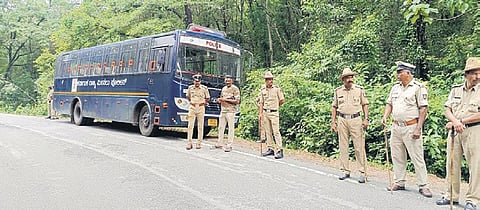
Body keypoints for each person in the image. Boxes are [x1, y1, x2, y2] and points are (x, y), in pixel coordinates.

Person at [381, 61, 432, 197]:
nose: (397, 74)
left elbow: (423, 108)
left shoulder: (418, 88)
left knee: (417, 156)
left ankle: (423, 185)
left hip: (411, 126)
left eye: (400, 72)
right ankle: (399, 181)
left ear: (408, 73)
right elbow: (389, 104)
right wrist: (385, 116)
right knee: (397, 155)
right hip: (396, 126)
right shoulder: (395, 88)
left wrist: (418, 128)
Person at [436, 57, 480, 210]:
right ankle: (451, 196)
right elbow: (447, 109)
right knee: (452, 163)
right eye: (474, 73)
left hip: (474, 130)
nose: (477, 77)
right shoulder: (456, 89)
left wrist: (462, 122)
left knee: (475, 166)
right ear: (466, 74)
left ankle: (472, 200)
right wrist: (456, 122)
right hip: (455, 130)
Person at [331, 68, 369, 183]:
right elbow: (334, 107)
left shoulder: (359, 90)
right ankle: (345, 170)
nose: (350, 79)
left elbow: (365, 104)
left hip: (356, 119)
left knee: (359, 146)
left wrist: (366, 119)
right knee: (343, 146)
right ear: (343, 79)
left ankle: (362, 172)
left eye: (351, 77)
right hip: (342, 119)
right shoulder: (338, 91)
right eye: (347, 77)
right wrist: (333, 122)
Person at [259, 71, 285, 159]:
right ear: (265, 80)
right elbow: (261, 102)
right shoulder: (263, 90)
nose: (270, 81)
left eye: (271, 79)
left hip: (274, 113)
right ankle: (270, 148)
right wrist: (260, 113)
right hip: (266, 112)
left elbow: (282, 100)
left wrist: (276, 106)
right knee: (268, 131)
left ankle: (279, 149)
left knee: (276, 131)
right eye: (268, 79)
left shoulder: (276, 89)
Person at [214, 75, 240, 152]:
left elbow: (237, 101)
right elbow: (222, 98)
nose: (227, 81)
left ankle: (229, 144)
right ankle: (219, 143)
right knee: (221, 127)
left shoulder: (235, 89)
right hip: (223, 110)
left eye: (229, 80)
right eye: (226, 80)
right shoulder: (223, 89)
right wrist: (220, 100)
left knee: (230, 128)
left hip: (230, 111)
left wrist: (225, 100)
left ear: (232, 81)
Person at [186, 74, 210, 150]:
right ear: (193, 81)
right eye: (195, 81)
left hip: (200, 107)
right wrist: (192, 102)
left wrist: (202, 103)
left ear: (200, 81)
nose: (197, 83)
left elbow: (207, 98)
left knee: (200, 126)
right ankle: (189, 143)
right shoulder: (190, 88)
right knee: (190, 125)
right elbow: (188, 97)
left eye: (198, 81)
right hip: (192, 107)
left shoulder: (204, 88)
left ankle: (199, 143)